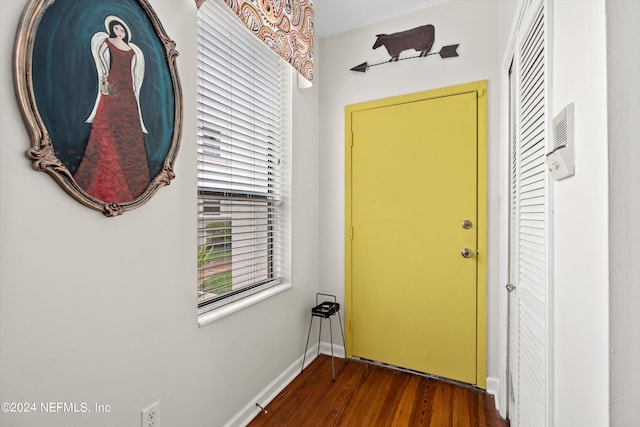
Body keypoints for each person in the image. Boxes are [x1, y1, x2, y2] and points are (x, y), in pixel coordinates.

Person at [74, 15, 150, 203]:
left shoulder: (132, 50)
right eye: (116, 29)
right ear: (112, 30)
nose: (119, 32)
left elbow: (134, 72)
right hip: (114, 84)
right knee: (108, 122)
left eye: (121, 30)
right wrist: (105, 75)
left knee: (128, 127)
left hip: (127, 89)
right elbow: (100, 56)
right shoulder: (107, 42)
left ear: (125, 31)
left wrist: (133, 89)